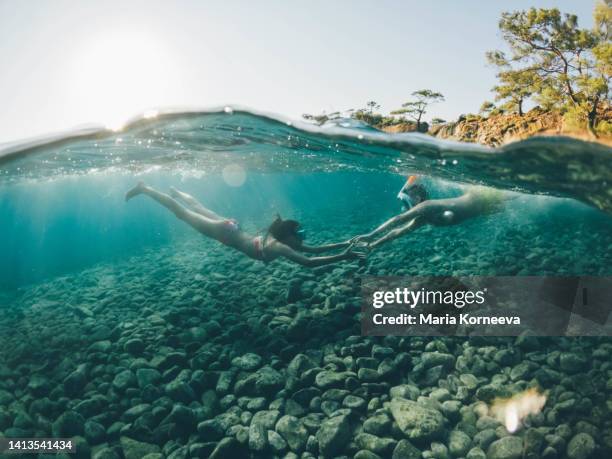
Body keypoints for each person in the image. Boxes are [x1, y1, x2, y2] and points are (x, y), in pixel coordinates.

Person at [125, 182, 364, 267]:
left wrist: (345, 244)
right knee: (183, 213)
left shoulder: (282, 242)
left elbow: (313, 251)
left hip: (231, 228)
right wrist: (344, 256)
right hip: (225, 231)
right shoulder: (280, 247)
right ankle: (145, 188)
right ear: (287, 235)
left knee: (196, 207)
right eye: (298, 234)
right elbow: (310, 262)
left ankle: (176, 191)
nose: (301, 238)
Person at [353, 176, 507, 249]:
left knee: (510, 194)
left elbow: (398, 220)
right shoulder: (425, 215)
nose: (406, 206)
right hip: (484, 204)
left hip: (481, 197)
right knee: (509, 197)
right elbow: (400, 231)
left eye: (408, 201)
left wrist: (371, 236)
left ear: (418, 197)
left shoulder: (427, 206)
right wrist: (373, 245)